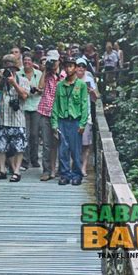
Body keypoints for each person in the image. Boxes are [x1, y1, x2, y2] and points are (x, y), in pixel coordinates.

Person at [0, 54, 30, 182]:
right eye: (6, 67)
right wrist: (1, 79)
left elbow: (24, 95)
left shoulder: (23, 80)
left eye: (11, 68)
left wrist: (13, 83)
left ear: (15, 69)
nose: (9, 71)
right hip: (2, 119)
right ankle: (2, 170)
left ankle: (16, 171)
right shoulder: (1, 80)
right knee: (0, 146)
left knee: (19, 147)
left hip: (17, 120)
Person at [51, 57, 88, 186]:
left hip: (75, 121)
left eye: (71, 66)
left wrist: (83, 123)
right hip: (62, 121)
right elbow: (55, 105)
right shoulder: (60, 85)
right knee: (63, 149)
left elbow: (84, 105)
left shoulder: (81, 85)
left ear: (76, 68)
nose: (68, 69)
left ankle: (77, 174)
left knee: (75, 149)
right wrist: (54, 124)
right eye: (66, 66)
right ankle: (65, 174)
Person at [37, 50, 63, 181]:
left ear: (59, 61)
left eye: (54, 61)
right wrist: (45, 71)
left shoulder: (63, 75)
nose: (52, 63)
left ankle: (60, 170)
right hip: (45, 112)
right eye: (50, 61)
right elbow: (40, 87)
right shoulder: (46, 75)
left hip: (60, 114)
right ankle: (46, 170)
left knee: (60, 143)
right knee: (47, 144)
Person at [75, 58, 100, 176]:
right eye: (78, 66)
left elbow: (96, 98)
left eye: (83, 66)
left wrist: (92, 91)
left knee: (85, 144)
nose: (80, 68)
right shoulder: (71, 79)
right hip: (73, 115)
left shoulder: (89, 79)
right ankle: (75, 165)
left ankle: (83, 167)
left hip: (86, 115)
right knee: (73, 142)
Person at [18, 52, 43, 169]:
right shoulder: (19, 74)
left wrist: (37, 90)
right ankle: (25, 159)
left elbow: (44, 90)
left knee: (34, 134)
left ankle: (34, 159)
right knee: (25, 134)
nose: (27, 62)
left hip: (36, 106)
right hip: (23, 106)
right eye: (25, 60)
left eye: (29, 60)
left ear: (33, 62)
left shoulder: (39, 74)